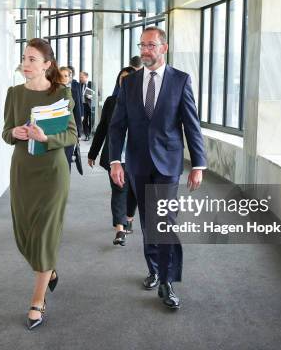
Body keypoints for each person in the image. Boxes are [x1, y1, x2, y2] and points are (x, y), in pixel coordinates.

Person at [109, 26, 206, 310]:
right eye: (142, 45)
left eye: (150, 45)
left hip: (168, 162)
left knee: (164, 219)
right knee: (147, 221)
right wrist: (116, 160)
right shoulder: (129, 83)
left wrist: (198, 163)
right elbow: (117, 125)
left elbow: (191, 124)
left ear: (163, 48)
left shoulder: (180, 81)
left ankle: (167, 280)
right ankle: (153, 268)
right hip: (138, 162)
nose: (145, 50)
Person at [1, 38, 78, 330]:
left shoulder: (62, 94)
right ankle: (50, 270)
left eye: (32, 59)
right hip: (23, 172)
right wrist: (16, 132)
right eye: (25, 57)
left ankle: (37, 300)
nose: (26, 63)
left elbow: (71, 134)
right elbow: (6, 133)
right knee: (25, 236)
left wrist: (47, 139)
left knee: (45, 234)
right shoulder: (14, 94)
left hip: (52, 174)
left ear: (47, 65)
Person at [88, 67, 137, 246]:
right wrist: (93, 153)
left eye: (129, 79)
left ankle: (129, 217)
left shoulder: (143, 102)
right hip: (116, 157)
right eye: (121, 79)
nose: (124, 82)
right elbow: (102, 129)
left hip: (137, 157)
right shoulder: (111, 102)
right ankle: (120, 230)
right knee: (119, 190)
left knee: (133, 192)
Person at [60, 66, 83, 171]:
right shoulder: (52, 91)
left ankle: (64, 184)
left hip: (69, 129)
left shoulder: (73, 91)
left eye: (66, 76)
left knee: (67, 159)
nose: (63, 78)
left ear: (69, 78)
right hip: (56, 131)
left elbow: (77, 111)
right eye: (60, 75)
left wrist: (78, 132)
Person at [80, 71, 92, 140]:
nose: (80, 78)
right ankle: (87, 135)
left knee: (90, 120)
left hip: (89, 105)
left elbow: (97, 94)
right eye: (80, 77)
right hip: (83, 105)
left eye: (82, 77)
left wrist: (91, 96)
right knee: (84, 120)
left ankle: (89, 134)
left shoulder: (91, 84)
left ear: (86, 77)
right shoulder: (80, 85)